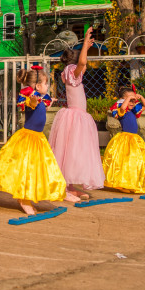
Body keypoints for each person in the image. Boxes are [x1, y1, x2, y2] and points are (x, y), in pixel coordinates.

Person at [0, 65, 78, 216]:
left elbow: (42, 108)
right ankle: (24, 199)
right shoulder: (30, 98)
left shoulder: (41, 98)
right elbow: (28, 106)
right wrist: (34, 102)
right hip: (28, 138)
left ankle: (47, 193)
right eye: (46, 83)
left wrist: (48, 103)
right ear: (37, 85)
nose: (47, 86)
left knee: (41, 168)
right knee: (26, 170)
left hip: (39, 138)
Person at [48, 28, 104, 198]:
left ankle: (69, 185)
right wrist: (85, 45)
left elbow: (81, 64)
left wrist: (86, 46)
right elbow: (82, 64)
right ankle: (66, 187)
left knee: (71, 151)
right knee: (72, 150)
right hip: (76, 116)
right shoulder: (72, 70)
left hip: (76, 115)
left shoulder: (67, 72)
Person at [102, 87, 145, 194]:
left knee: (134, 161)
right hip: (125, 139)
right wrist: (129, 97)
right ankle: (121, 183)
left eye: (133, 101)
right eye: (130, 100)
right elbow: (123, 107)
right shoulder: (121, 112)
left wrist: (141, 97)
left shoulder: (133, 112)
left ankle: (131, 181)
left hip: (135, 139)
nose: (132, 102)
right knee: (124, 161)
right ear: (122, 100)